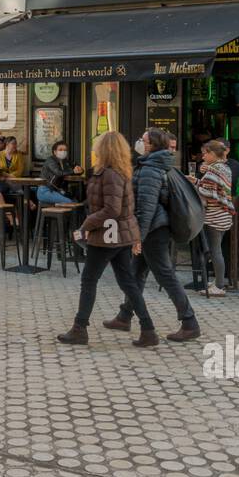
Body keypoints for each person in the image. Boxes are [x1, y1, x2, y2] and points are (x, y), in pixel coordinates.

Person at [58, 131, 155, 347]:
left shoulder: (110, 174)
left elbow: (111, 209)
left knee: (89, 280)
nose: (94, 149)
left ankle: (79, 328)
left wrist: (86, 225)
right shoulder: (119, 172)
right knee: (128, 283)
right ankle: (148, 330)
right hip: (119, 235)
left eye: (97, 145)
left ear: (105, 149)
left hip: (107, 235)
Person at [105, 128, 200, 342]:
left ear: (152, 145)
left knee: (164, 275)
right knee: (135, 274)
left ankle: (189, 321)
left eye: (143, 139)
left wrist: (137, 236)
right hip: (152, 228)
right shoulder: (153, 164)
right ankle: (124, 315)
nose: (139, 142)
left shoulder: (150, 169)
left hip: (153, 231)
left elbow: (146, 206)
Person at [194, 138, 236, 297]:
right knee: (216, 250)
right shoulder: (225, 168)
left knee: (215, 251)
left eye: (205, 154)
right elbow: (218, 190)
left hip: (214, 216)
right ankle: (218, 281)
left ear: (212, 154)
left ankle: (219, 285)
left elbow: (209, 194)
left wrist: (195, 185)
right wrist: (198, 180)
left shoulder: (213, 170)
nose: (203, 157)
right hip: (224, 215)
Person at [38, 140, 81, 206]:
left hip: (57, 191)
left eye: (65, 150)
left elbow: (76, 167)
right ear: (55, 152)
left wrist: (80, 169)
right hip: (45, 190)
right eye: (60, 150)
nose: (63, 152)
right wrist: (73, 171)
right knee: (70, 202)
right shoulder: (50, 160)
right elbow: (58, 173)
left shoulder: (66, 162)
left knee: (76, 201)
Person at [0, 136, 26, 201]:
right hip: (1, 179)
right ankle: (26, 200)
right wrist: (7, 176)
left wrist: (7, 176)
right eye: (13, 143)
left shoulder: (19, 155)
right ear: (7, 144)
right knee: (1, 188)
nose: (15, 145)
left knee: (12, 184)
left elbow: (20, 170)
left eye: (16, 143)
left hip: (14, 179)